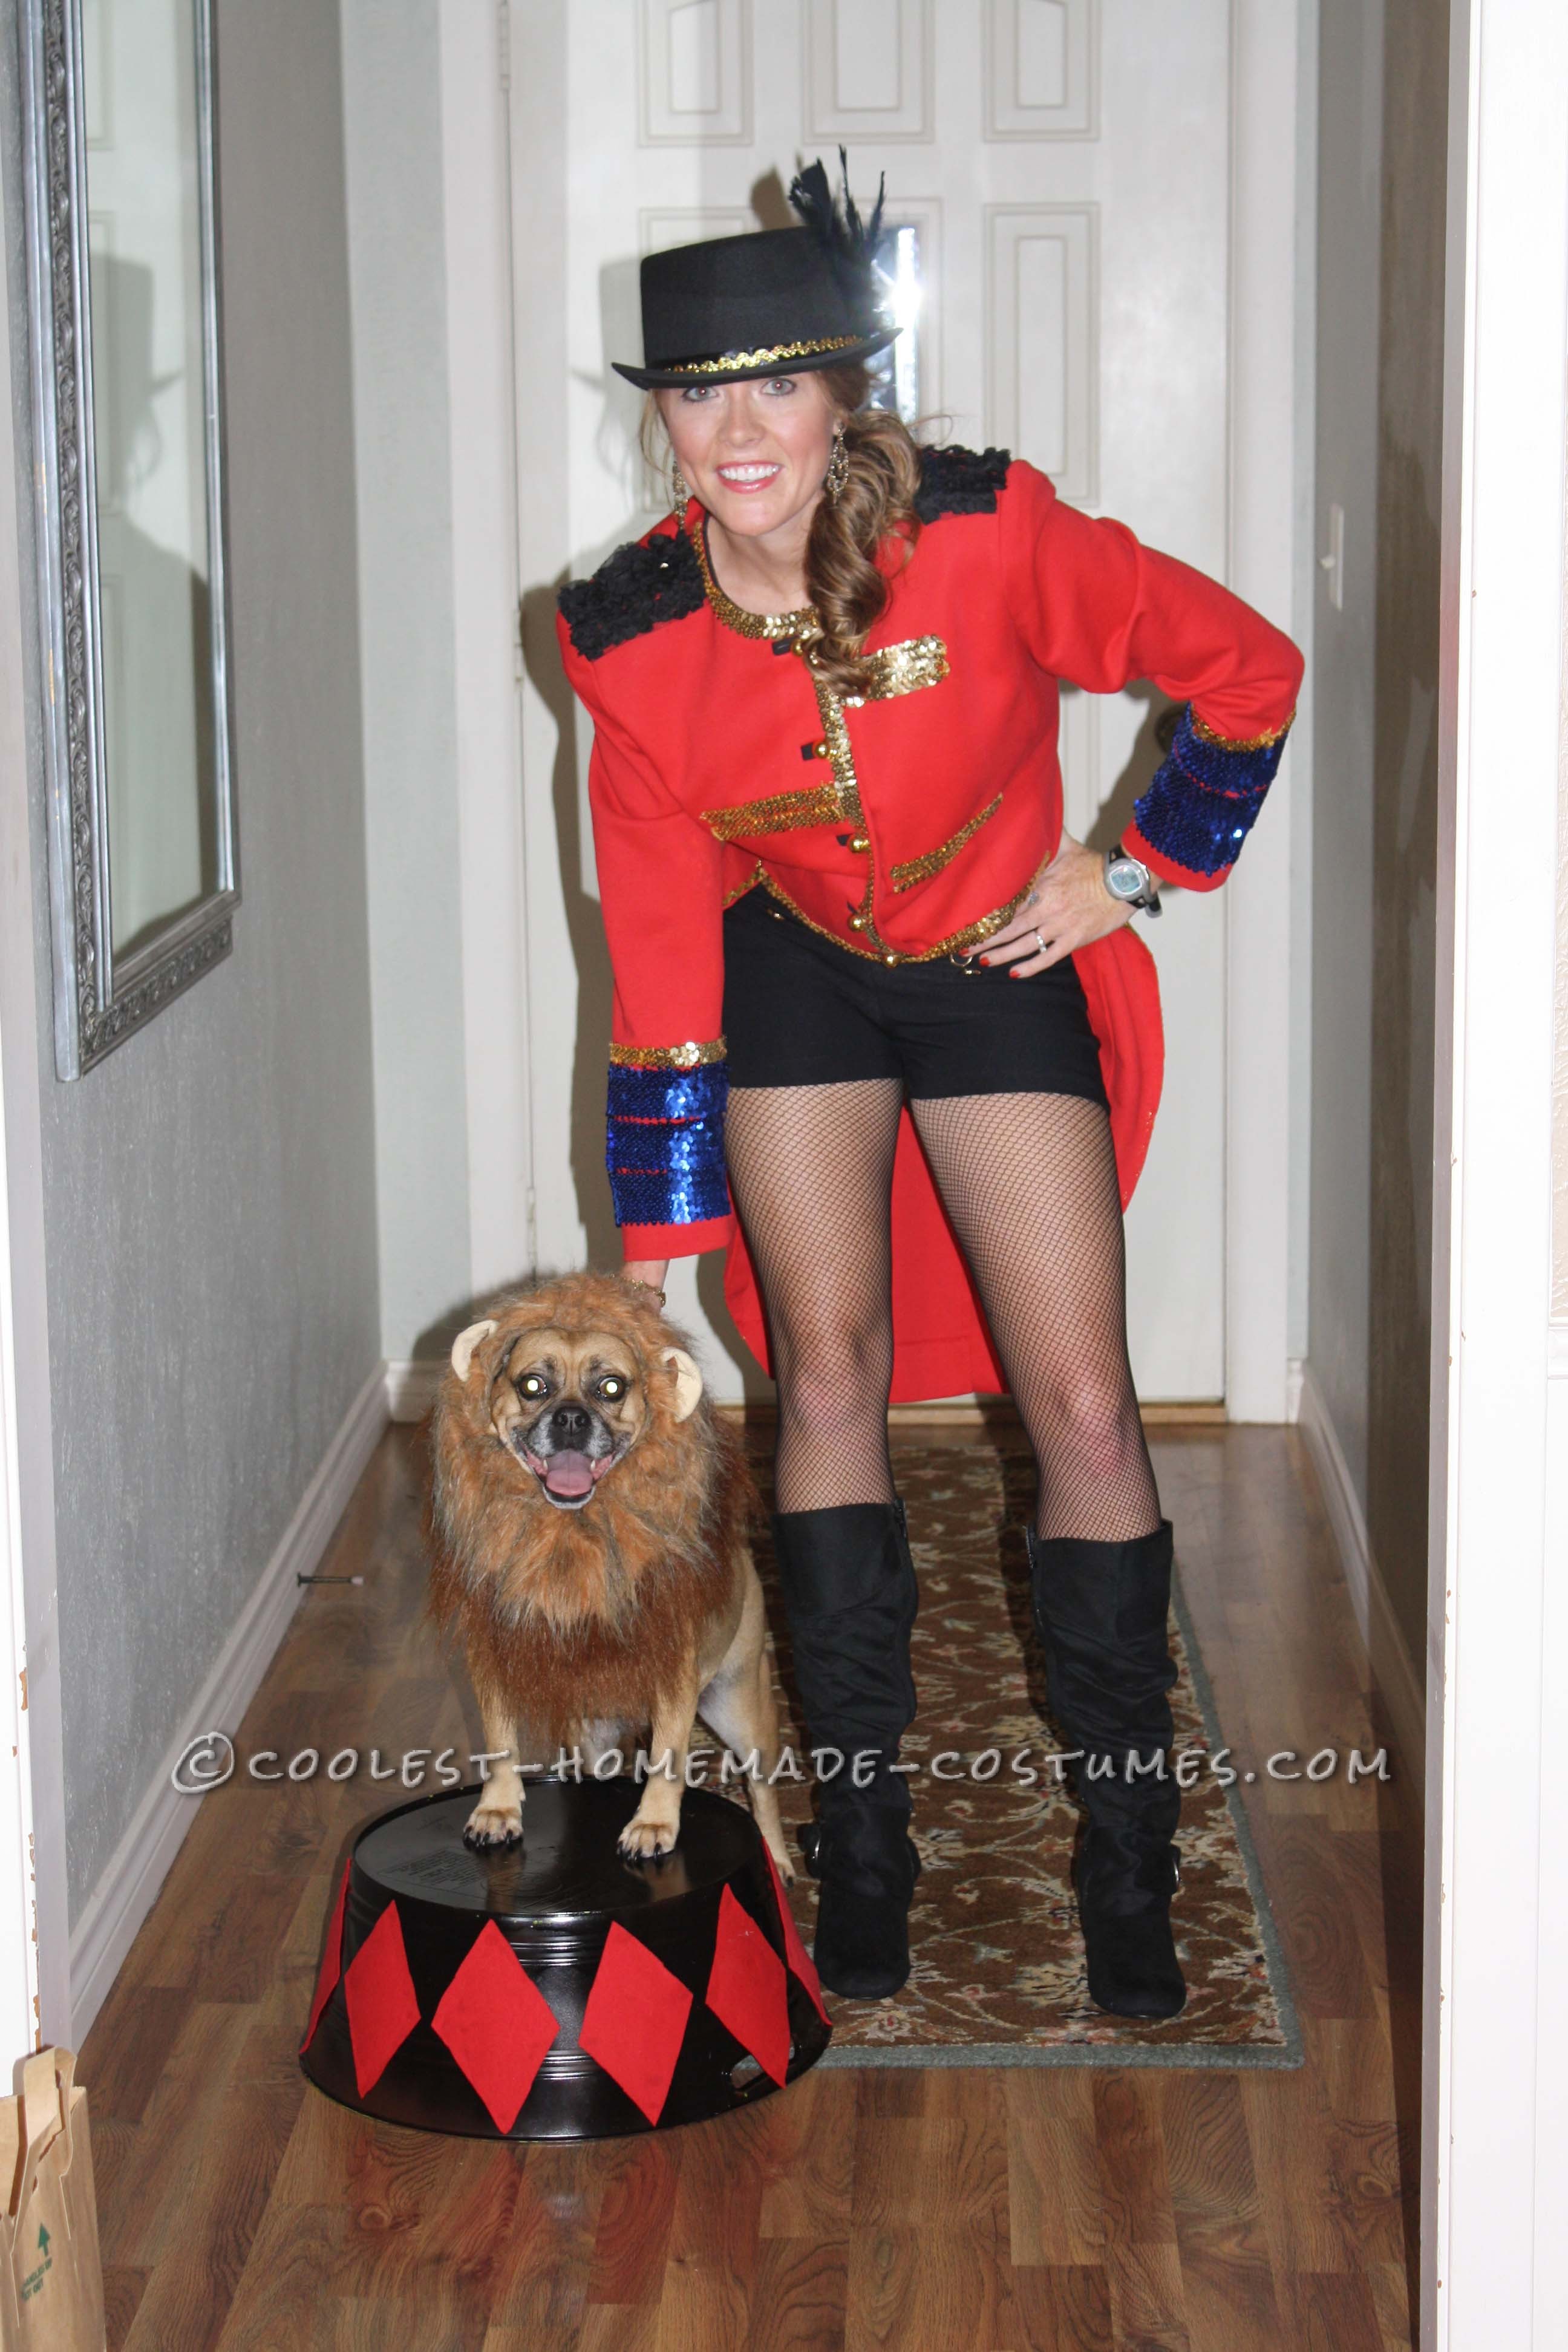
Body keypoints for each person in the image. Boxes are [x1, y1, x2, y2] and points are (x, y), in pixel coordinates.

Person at [555, 160, 1303, 2013]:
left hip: (993, 964)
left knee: (1086, 1404)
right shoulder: (630, 638)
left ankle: (1130, 1857)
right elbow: (658, 947)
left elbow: (1251, 671)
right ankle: (866, 1846)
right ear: (663, 416)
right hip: (793, 975)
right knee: (822, 1375)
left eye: (778, 386)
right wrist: (654, 1256)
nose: (739, 431)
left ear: (844, 398)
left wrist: (1127, 873)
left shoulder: (990, 538)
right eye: (698, 393)